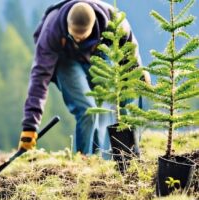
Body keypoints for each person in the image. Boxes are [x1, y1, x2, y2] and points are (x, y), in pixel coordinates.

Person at [19, 0, 149, 155]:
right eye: (75, 36)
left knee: (116, 101)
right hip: (65, 59)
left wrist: (138, 73)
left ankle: (124, 155)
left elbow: (130, 53)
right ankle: (84, 159)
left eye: (83, 36)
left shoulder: (115, 23)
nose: (79, 40)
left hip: (99, 51)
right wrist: (30, 127)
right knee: (87, 110)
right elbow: (39, 77)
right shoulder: (52, 29)